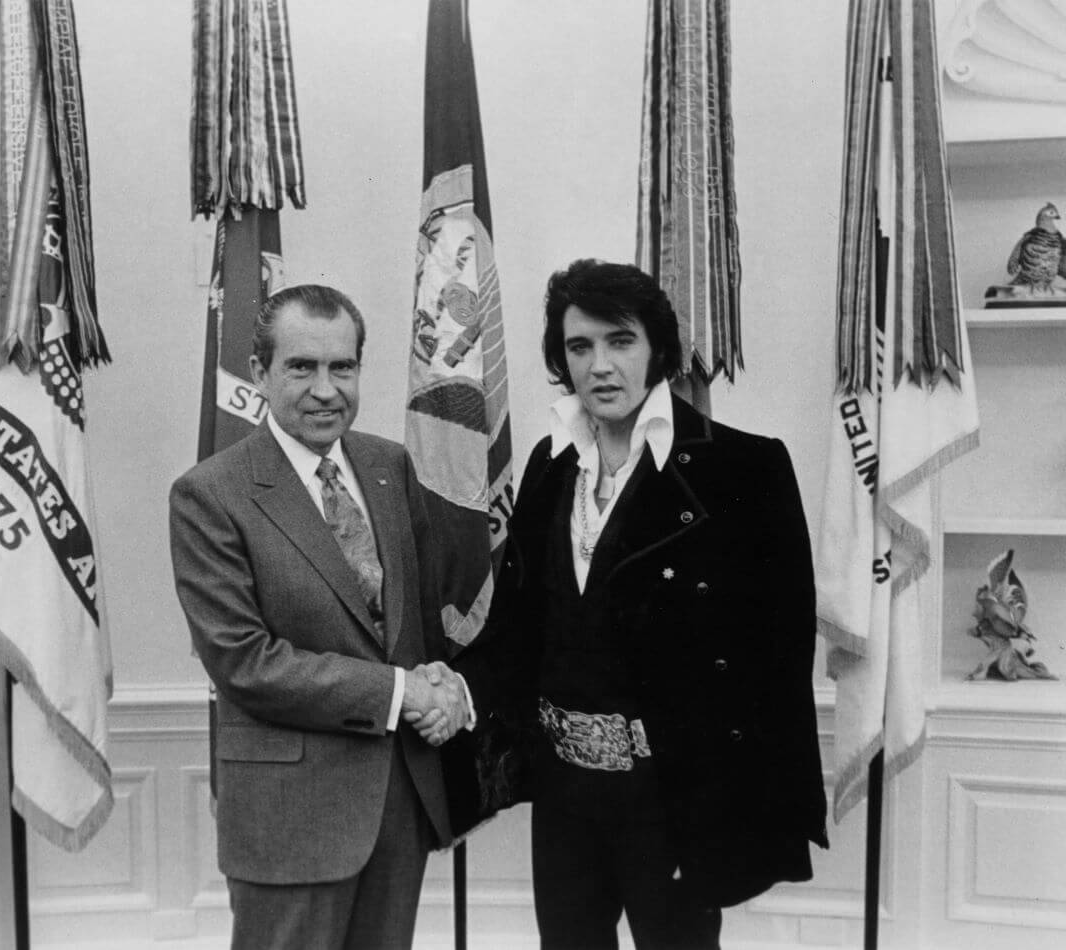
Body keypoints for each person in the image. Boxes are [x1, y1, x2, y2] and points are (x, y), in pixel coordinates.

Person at [410, 259, 828, 950]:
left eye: (620, 341)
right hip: (564, 795)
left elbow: (778, 655)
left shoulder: (743, 469)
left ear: (656, 349)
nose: (600, 365)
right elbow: (520, 631)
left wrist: (738, 808)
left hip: (675, 796)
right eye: (580, 347)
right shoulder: (550, 465)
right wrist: (456, 683)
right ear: (562, 359)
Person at [169, 284, 469, 950]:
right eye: (301, 367)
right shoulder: (210, 494)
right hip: (289, 819)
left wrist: (448, 687)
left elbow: (415, 628)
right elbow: (245, 664)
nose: (325, 389)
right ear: (259, 372)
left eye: (343, 368)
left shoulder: (388, 465)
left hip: (399, 804)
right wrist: (402, 692)